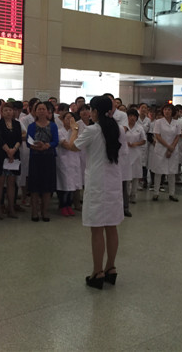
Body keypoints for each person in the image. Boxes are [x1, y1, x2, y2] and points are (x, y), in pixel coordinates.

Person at [63, 96, 123, 290]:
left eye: (91, 109)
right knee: (111, 226)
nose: (89, 113)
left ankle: (97, 272)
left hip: (98, 183)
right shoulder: (118, 129)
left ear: (96, 111)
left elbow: (73, 146)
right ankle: (111, 268)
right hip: (113, 182)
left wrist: (74, 128)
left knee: (97, 228)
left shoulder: (92, 130)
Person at [27, 101, 59, 222]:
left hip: (48, 157)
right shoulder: (31, 126)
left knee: (47, 186)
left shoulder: (53, 126)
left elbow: (55, 141)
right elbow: (28, 142)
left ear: (47, 112)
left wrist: (46, 145)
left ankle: (45, 211)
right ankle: (34, 211)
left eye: (43, 109)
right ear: (35, 112)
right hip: (35, 158)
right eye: (39, 109)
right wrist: (37, 146)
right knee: (34, 186)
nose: (41, 111)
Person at [0, 101, 22, 219]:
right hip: (1, 154)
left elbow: (19, 139)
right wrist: (8, 151)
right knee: (0, 182)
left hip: (14, 155)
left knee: (11, 183)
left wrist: (13, 150)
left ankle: (11, 208)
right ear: (2, 112)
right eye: (6, 110)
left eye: (10, 110)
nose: (8, 112)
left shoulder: (17, 124)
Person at [150, 104, 181, 202]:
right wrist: (168, 146)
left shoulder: (177, 123)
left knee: (172, 172)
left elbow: (177, 136)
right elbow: (158, 136)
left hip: (173, 149)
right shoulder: (158, 122)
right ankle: (156, 193)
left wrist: (171, 148)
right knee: (158, 172)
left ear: (172, 111)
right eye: (165, 109)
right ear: (163, 111)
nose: (167, 111)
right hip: (161, 149)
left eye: (169, 110)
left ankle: (172, 194)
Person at [56, 111, 80, 217]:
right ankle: (63, 206)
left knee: (72, 186)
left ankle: (69, 205)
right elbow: (68, 146)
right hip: (63, 161)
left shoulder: (76, 131)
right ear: (63, 120)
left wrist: (75, 131)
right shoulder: (59, 132)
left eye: (71, 118)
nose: (69, 120)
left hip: (74, 161)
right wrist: (73, 145)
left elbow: (79, 145)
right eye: (67, 118)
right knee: (64, 185)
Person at [124, 109, 146, 205]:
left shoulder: (139, 128)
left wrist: (135, 144)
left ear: (136, 117)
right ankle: (126, 195)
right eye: (130, 116)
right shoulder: (124, 127)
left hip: (136, 153)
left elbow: (144, 140)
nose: (132, 118)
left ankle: (133, 195)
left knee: (135, 176)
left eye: (134, 116)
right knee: (127, 176)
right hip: (126, 154)